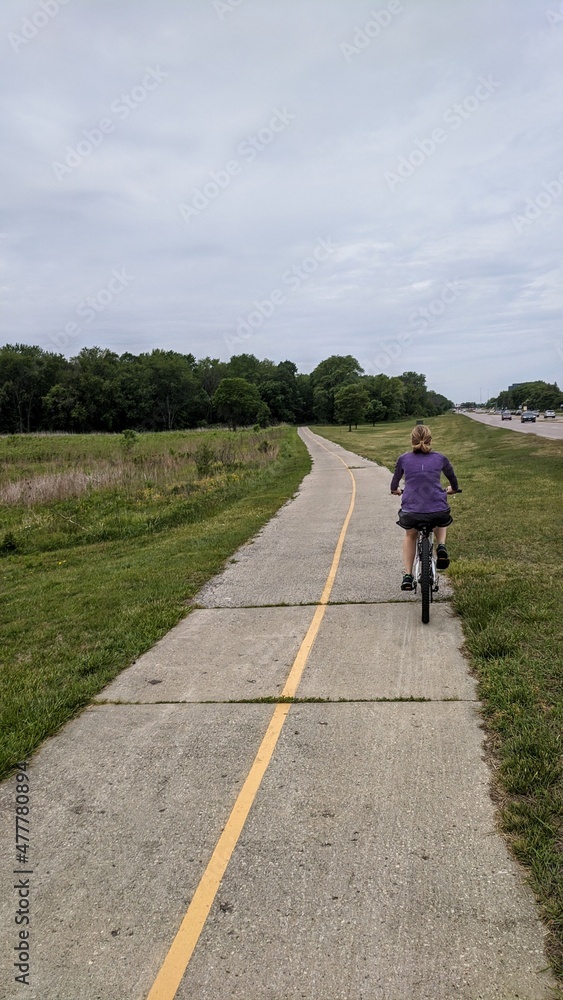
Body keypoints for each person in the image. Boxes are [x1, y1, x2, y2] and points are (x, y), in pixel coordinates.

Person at [390, 424, 460, 591]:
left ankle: (408, 575)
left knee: (410, 535)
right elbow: (453, 481)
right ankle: (441, 545)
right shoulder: (440, 458)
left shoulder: (404, 459)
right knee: (441, 516)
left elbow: (394, 485)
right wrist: (452, 490)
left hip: (411, 513)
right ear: (430, 440)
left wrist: (398, 491)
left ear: (412, 440)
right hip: (437, 511)